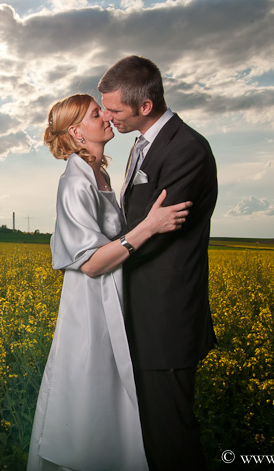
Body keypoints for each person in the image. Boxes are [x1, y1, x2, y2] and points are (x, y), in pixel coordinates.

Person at [27, 93, 191, 471]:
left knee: (105, 402)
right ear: (77, 133)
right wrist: (150, 226)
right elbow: (91, 263)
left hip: (108, 303)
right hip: (89, 307)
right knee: (89, 403)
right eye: (95, 114)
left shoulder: (98, 174)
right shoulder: (74, 182)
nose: (106, 117)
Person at [98, 56, 217, 471]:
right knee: (149, 432)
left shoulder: (187, 148)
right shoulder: (143, 143)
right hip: (140, 311)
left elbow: (161, 228)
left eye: (115, 110)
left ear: (145, 105)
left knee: (172, 436)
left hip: (165, 317)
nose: (107, 118)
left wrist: (98, 257)